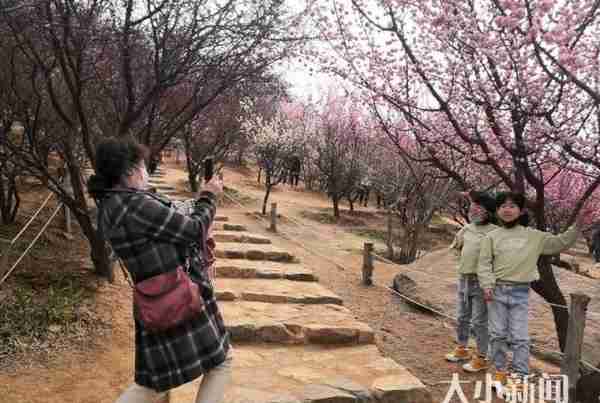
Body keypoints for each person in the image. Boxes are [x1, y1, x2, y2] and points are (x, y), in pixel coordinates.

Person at [87, 138, 232, 403]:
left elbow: (165, 227)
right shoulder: (134, 205)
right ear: (129, 171)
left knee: (155, 383)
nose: (146, 172)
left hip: (155, 300)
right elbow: (193, 230)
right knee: (220, 362)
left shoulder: (110, 205)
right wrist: (209, 196)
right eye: (142, 166)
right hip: (177, 294)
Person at [478, 192, 579, 390]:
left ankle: (520, 378)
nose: (507, 209)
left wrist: (578, 227)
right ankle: (500, 372)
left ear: (520, 210)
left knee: (520, 337)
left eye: (512, 206)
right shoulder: (491, 237)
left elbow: (560, 242)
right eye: (503, 206)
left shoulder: (534, 236)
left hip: (520, 292)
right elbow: (484, 264)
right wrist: (487, 285)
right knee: (497, 334)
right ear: (497, 211)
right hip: (496, 291)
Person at [445, 191, 497, 374]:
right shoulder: (467, 229)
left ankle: (482, 357)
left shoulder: (495, 232)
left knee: (479, 322)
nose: (474, 210)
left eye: (479, 208)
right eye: (473, 207)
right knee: (462, 317)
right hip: (464, 279)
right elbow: (456, 247)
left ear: (489, 212)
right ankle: (462, 348)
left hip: (482, 283)